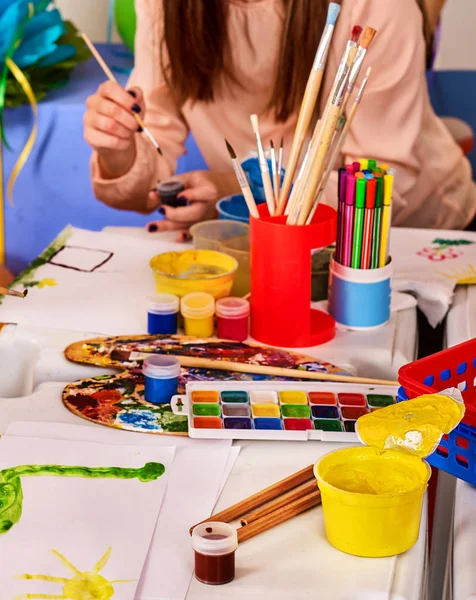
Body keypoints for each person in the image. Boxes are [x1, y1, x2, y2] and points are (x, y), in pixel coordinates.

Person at [85, 0, 476, 234]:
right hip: (272, 236)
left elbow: (377, 182)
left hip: (410, 233)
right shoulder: (164, 6)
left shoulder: (377, 7)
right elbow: (150, 175)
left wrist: (240, 193)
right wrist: (117, 149)